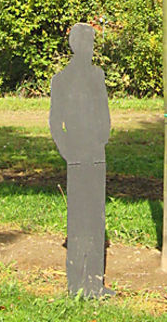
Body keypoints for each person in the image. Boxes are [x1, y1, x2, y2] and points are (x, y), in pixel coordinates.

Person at [49, 22, 111, 297]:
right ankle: (76, 284)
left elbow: (104, 114)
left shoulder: (97, 76)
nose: (91, 48)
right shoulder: (61, 80)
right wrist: (68, 151)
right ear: (75, 45)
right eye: (87, 42)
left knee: (95, 218)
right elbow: (55, 122)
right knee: (78, 218)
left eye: (92, 43)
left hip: (95, 155)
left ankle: (94, 283)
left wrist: (101, 141)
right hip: (78, 155)